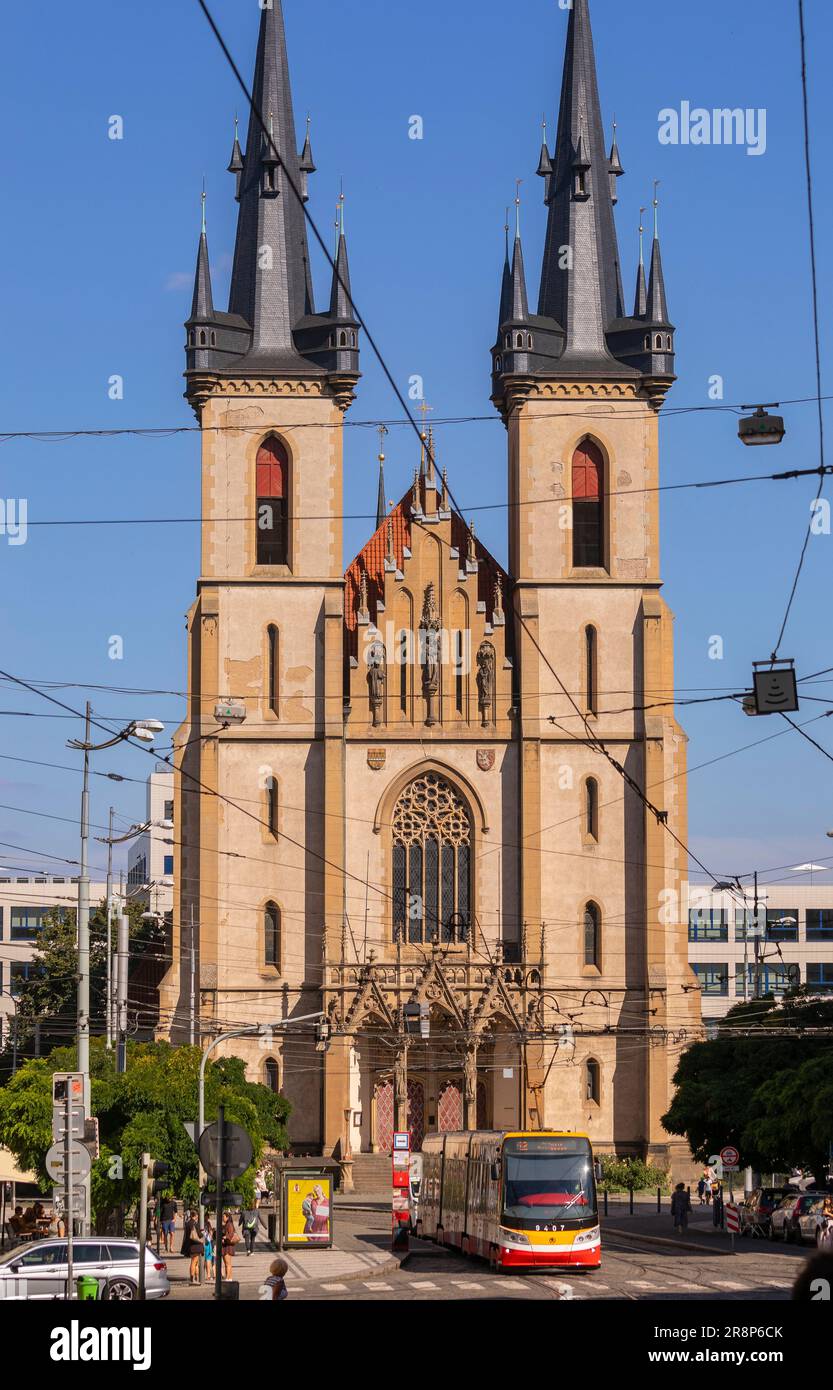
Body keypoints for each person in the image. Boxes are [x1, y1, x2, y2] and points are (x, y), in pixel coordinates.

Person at [184, 1209, 203, 1286]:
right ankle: (194, 1279)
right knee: (194, 1262)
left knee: (194, 1262)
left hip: (191, 1245)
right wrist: (202, 1232)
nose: (198, 1216)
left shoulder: (188, 1223)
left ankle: (194, 1278)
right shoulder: (195, 1224)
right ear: (194, 1216)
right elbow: (200, 1235)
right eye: (197, 1215)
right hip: (196, 1245)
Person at [222, 1209, 239, 1280]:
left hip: (228, 1246)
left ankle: (228, 1277)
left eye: (224, 1217)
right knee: (227, 1263)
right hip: (226, 1246)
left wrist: (224, 1237)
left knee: (227, 1263)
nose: (223, 1218)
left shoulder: (229, 1224)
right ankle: (229, 1277)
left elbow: (231, 1234)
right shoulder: (226, 1224)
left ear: (227, 1217)